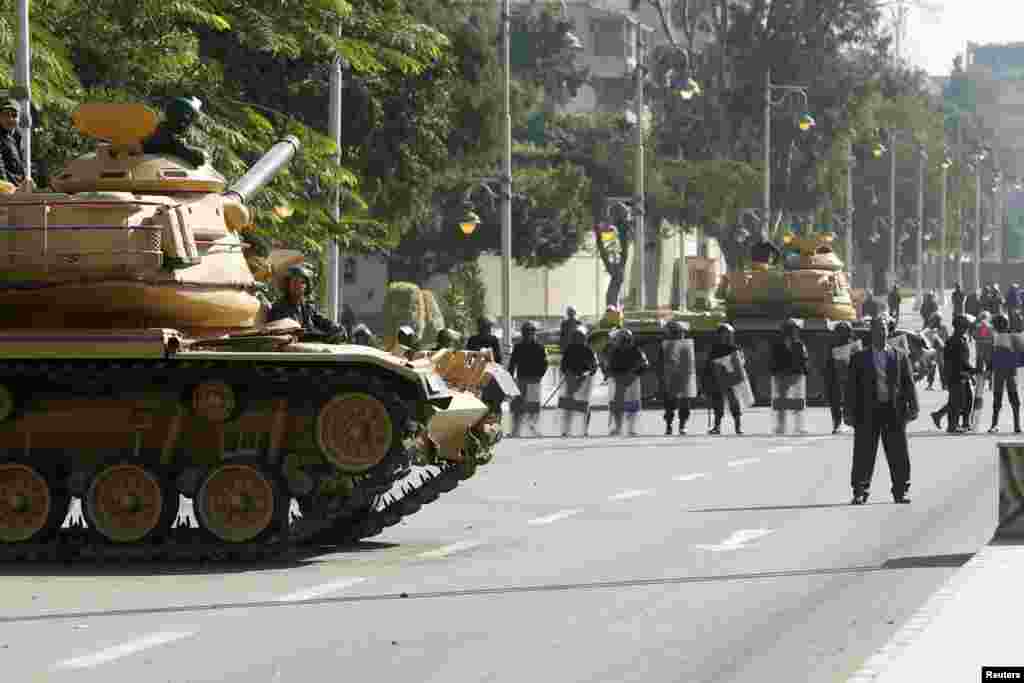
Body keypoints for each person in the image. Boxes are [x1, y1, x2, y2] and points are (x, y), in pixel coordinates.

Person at [846, 316, 918, 505]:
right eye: (878, 330)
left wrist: (914, 405)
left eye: (885, 329)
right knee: (863, 452)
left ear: (888, 332)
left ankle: (900, 490)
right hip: (867, 411)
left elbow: (908, 383)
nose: (882, 333)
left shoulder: (899, 355)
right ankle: (860, 491)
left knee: (898, 452)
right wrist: (848, 412)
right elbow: (851, 388)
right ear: (872, 332)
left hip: (893, 410)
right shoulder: (859, 358)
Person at [266, 265, 347, 341]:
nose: (298, 285)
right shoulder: (279, 308)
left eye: (302, 282)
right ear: (288, 285)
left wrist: (337, 328)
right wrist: (323, 337)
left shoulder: (307, 308)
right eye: (294, 281)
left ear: (306, 286)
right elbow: (294, 333)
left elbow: (322, 322)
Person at [931, 314, 978, 433]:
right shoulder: (954, 341)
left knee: (967, 399)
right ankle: (952, 426)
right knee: (957, 402)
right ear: (960, 327)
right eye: (966, 326)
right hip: (956, 375)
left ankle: (963, 423)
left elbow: (964, 361)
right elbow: (960, 361)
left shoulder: (961, 339)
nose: (967, 328)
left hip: (962, 374)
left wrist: (970, 373)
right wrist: (973, 370)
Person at [702, 323, 745, 435]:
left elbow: (740, 364)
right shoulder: (715, 349)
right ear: (720, 335)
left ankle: (738, 427)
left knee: (734, 403)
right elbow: (709, 365)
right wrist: (706, 380)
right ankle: (717, 427)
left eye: (729, 334)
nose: (727, 336)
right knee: (717, 404)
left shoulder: (735, 348)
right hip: (717, 379)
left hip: (731, 380)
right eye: (725, 334)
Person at [508, 321, 548, 437]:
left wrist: (540, 375)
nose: (528, 335)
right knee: (517, 407)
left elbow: (545, 364)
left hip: (534, 379)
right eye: (526, 333)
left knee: (533, 407)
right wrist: (510, 378)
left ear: (534, 333)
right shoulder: (518, 346)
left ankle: (533, 429)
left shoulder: (540, 347)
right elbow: (512, 363)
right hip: (521, 379)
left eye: (530, 332)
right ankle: (516, 431)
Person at [142, 96, 207, 168]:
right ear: (183, 122)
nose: (190, 126)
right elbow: (199, 159)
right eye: (190, 121)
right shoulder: (172, 141)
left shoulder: (160, 131)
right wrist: (203, 154)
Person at [770, 318, 810, 434]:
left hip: (796, 375)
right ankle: (781, 426)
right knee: (781, 403)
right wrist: (775, 372)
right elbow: (774, 359)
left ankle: (799, 426)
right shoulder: (777, 344)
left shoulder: (799, 345)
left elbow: (804, 359)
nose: (791, 332)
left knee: (798, 403)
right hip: (781, 376)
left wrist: (804, 371)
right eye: (788, 329)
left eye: (792, 330)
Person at [607, 328, 648, 436]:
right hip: (618, 380)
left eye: (626, 339)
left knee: (632, 406)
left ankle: (631, 428)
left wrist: (635, 373)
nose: (624, 341)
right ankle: (618, 427)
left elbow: (645, 364)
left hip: (632, 380)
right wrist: (612, 374)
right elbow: (610, 366)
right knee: (617, 406)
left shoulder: (636, 350)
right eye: (622, 339)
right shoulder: (615, 351)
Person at [558, 326, 598, 437]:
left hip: (584, 381)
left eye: (580, 337)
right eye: (575, 337)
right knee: (568, 406)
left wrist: (586, 373)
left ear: (584, 338)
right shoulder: (569, 350)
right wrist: (567, 373)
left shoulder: (588, 351)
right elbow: (563, 366)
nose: (577, 339)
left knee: (584, 406)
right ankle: (566, 429)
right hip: (570, 381)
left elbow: (594, 367)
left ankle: (584, 429)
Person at [657, 320, 695, 436]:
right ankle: (669, 425)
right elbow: (660, 363)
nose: (678, 335)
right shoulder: (665, 346)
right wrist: (662, 378)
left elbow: (691, 363)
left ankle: (682, 425)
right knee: (669, 405)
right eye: (675, 332)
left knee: (685, 404)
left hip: (684, 378)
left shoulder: (686, 346)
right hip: (671, 378)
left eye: (679, 332)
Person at [825, 321, 861, 434]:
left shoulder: (853, 345)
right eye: (839, 332)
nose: (841, 335)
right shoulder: (833, 345)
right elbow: (828, 363)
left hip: (849, 378)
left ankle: (851, 423)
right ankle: (837, 423)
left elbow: (859, 362)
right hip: (836, 377)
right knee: (836, 401)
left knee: (850, 401)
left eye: (844, 332)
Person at [989, 313, 1020, 433]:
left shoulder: (1000, 336)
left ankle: (995, 424)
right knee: (1011, 398)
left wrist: (990, 368)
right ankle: (1015, 425)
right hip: (1008, 369)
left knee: (1000, 398)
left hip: (1002, 369)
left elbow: (992, 355)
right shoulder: (1007, 336)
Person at [0, 100, 26, 186]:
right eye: (6, 115)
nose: (10, 119)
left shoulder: (16, 136)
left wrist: (26, 179)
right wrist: (6, 187)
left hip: (19, 188)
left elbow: (20, 164)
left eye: (14, 115)